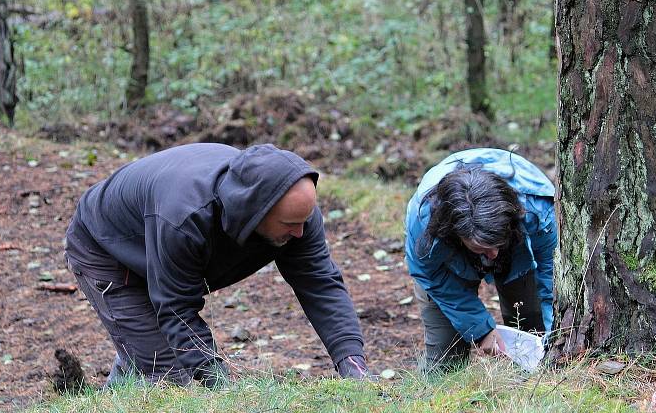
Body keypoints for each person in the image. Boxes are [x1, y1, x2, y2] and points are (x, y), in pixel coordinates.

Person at [65, 142, 370, 387]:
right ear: (254, 212)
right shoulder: (185, 217)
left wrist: (352, 362)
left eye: (304, 221)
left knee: (154, 355)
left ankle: (132, 362)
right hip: (106, 247)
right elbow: (177, 309)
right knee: (170, 382)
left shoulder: (297, 214)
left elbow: (320, 283)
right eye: (290, 224)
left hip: (161, 247)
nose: (300, 233)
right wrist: (222, 385)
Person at [404, 148, 556, 368]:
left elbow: (552, 276)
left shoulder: (537, 209)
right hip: (447, 266)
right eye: (482, 248)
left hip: (518, 250)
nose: (492, 255)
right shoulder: (424, 223)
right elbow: (430, 274)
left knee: (534, 332)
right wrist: (481, 330)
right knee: (446, 360)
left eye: (497, 245)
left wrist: (555, 339)